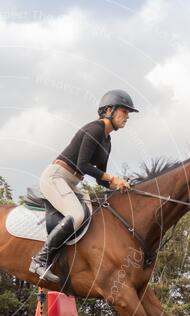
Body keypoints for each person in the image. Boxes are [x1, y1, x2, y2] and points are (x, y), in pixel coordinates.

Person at [28, 89, 138, 284]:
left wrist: (119, 185)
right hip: (56, 177)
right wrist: (112, 177)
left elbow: (100, 179)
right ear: (109, 110)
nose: (127, 117)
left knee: (92, 210)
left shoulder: (107, 140)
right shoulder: (95, 129)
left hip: (71, 182)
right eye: (124, 111)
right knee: (77, 215)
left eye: (128, 113)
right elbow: (82, 165)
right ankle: (40, 259)